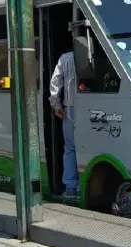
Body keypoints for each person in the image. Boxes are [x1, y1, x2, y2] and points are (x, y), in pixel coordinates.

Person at [49, 51, 80, 200]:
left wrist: (56, 105)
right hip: (93, 105)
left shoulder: (66, 58)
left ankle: (71, 188)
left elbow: (55, 80)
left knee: (70, 148)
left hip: (70, 108)